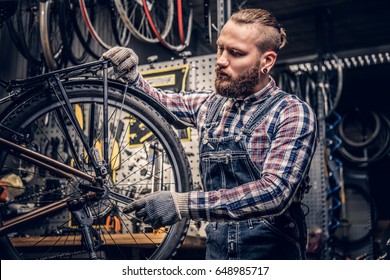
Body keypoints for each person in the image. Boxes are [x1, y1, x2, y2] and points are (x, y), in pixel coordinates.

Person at [102, 8, 317, 260]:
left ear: (266, 61)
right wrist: (132, 77)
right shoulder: (209, 105)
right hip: (217, 255)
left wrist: (182, 204)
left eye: (235, 53)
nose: (221, 60)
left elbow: (274, 193)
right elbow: (158, 101)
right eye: (220, 48)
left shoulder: (290, 113)